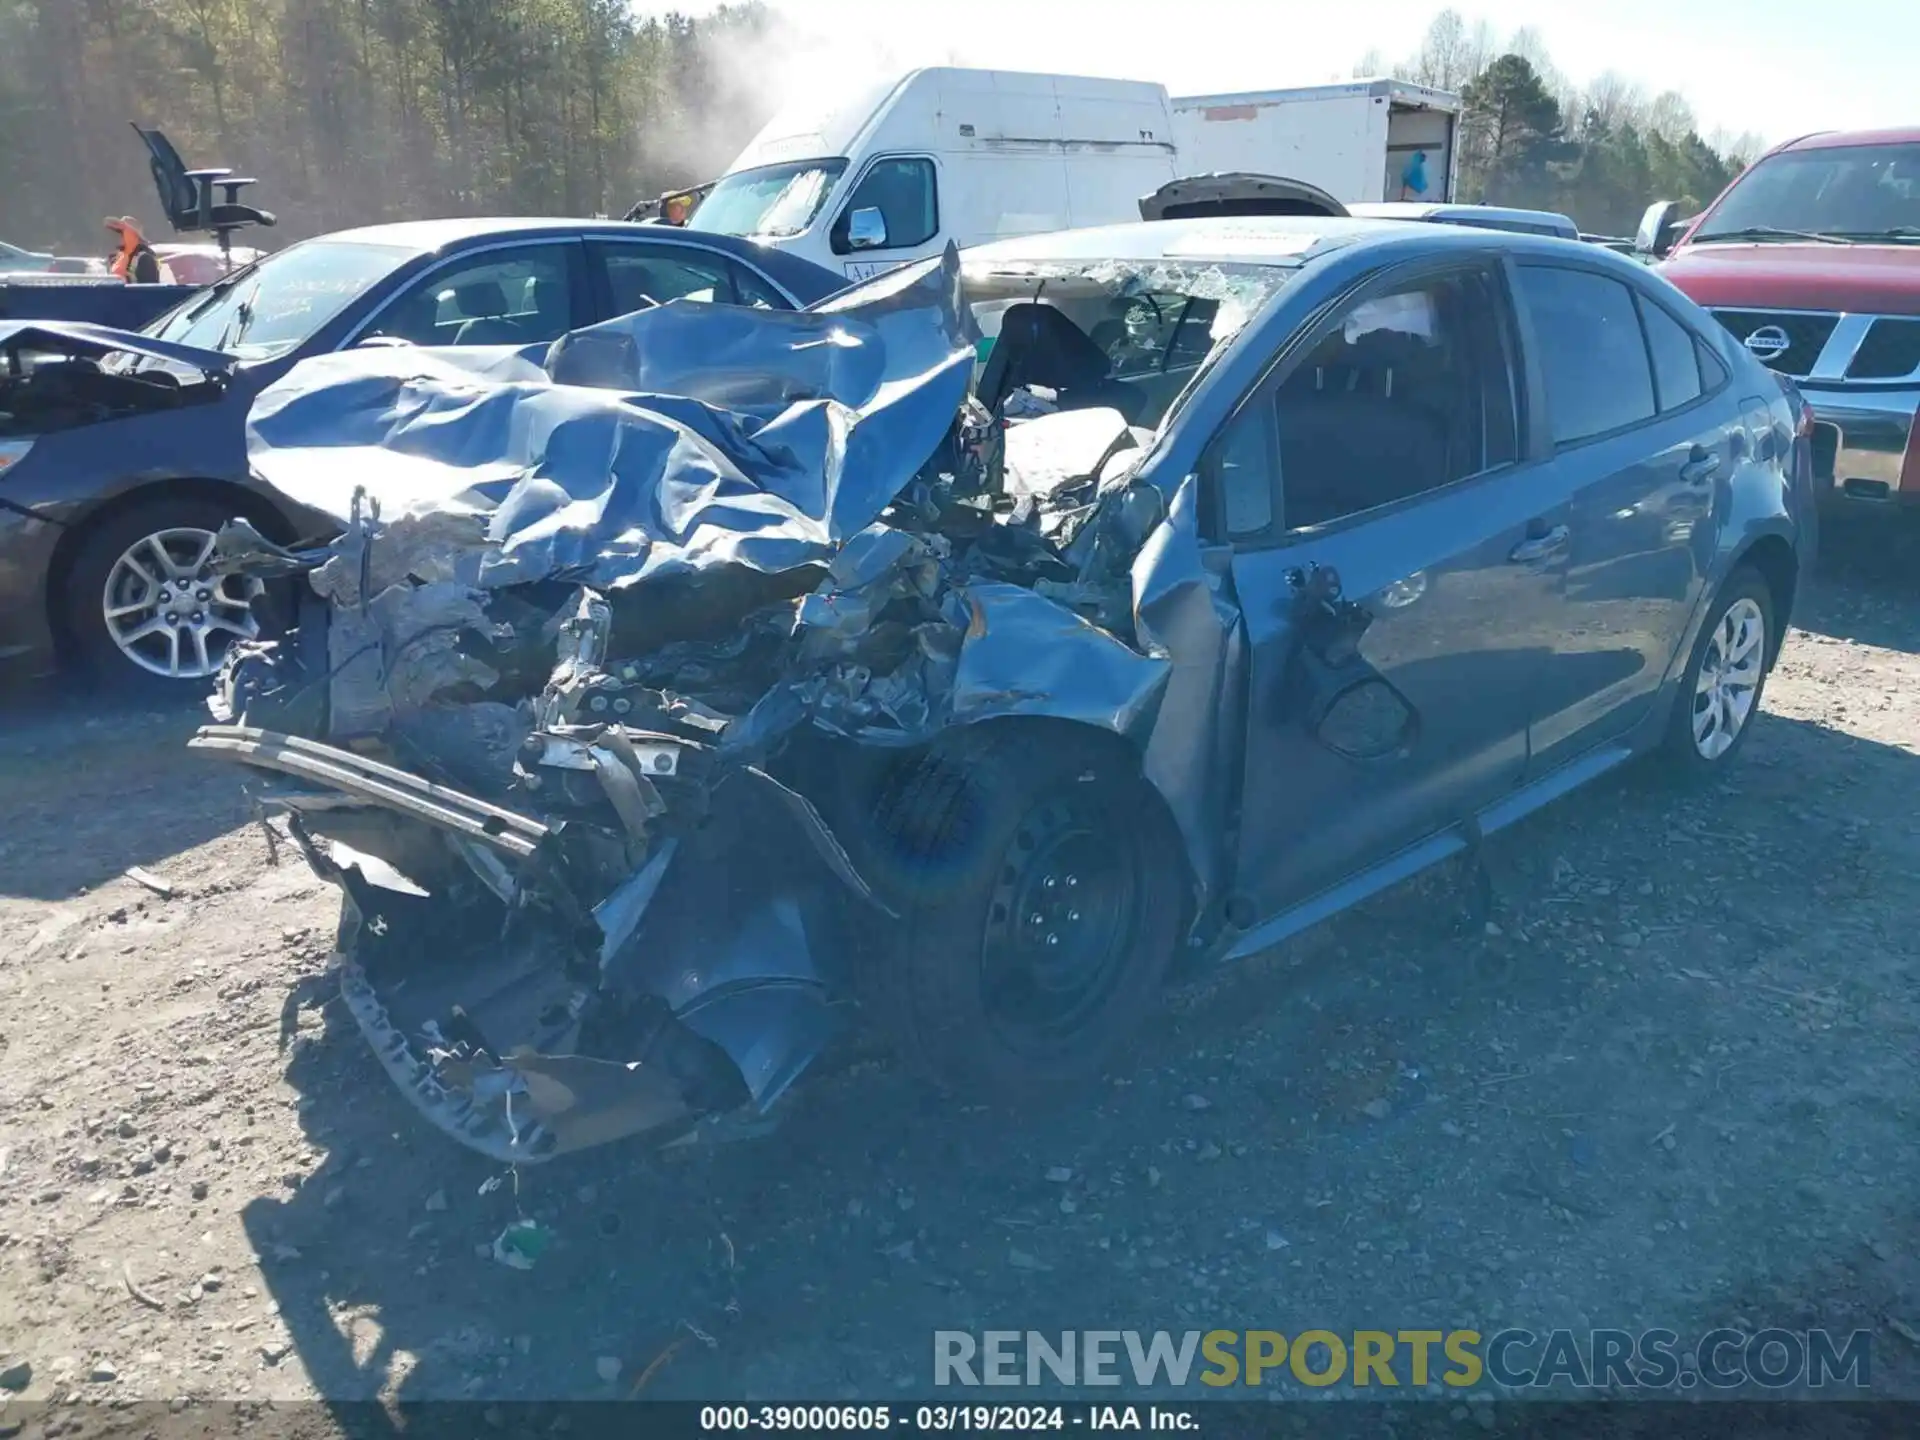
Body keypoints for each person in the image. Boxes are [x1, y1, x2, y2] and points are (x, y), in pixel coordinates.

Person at [104, 216, 167, 283]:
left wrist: (126, 279)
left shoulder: (145, 259)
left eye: (121, 232)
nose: (117, 235)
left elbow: (149, 290)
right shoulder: (114, 258)